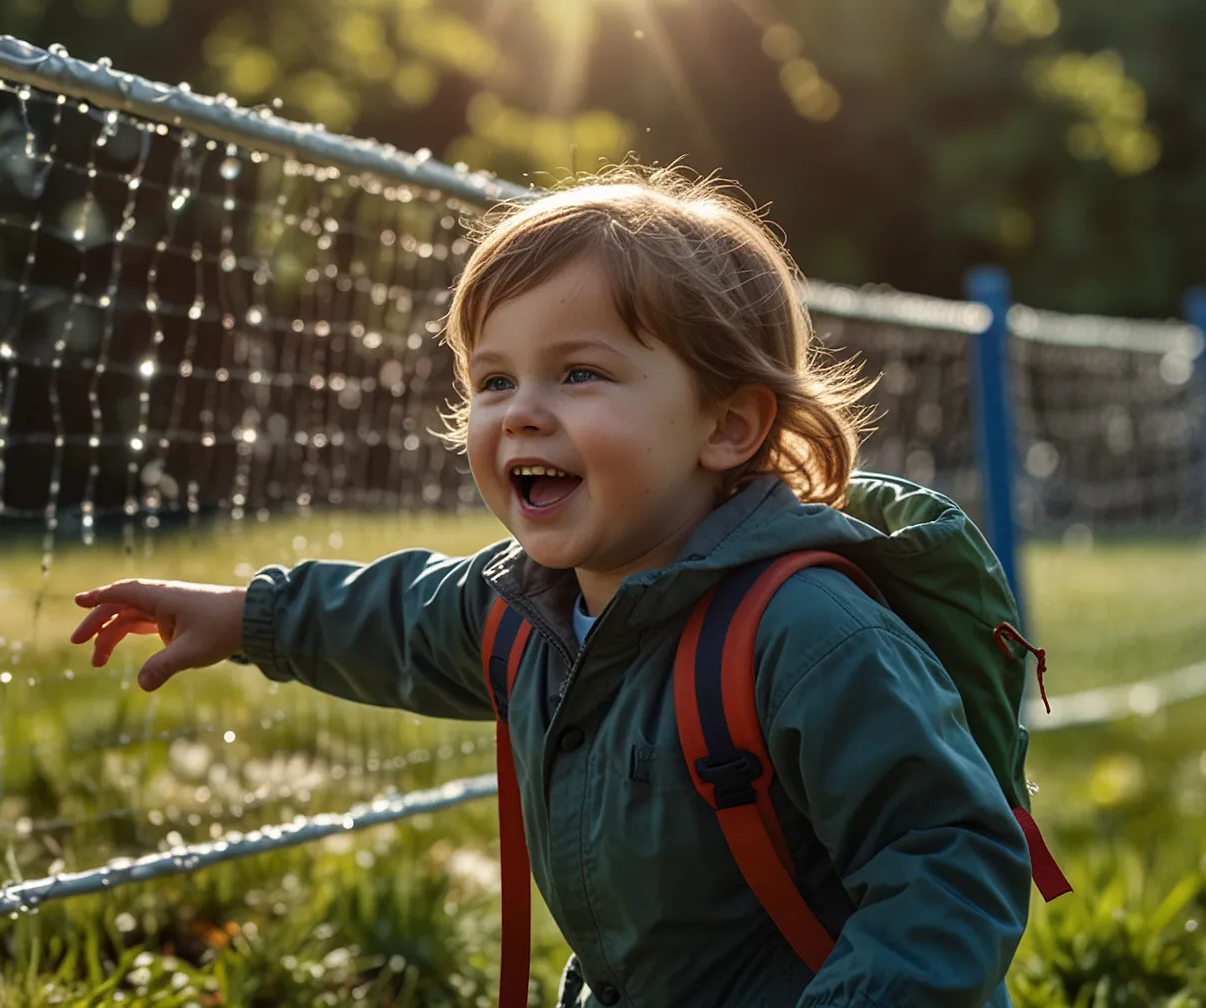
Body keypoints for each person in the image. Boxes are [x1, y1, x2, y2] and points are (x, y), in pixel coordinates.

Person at [71, 166, 1033, 1007]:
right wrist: (249, 616)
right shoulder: (523, 610)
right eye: (493, 381)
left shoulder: (808, 632)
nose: (521, 414)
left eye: (578, 373)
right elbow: (398, 620)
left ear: (728, 426)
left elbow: (949, 863)